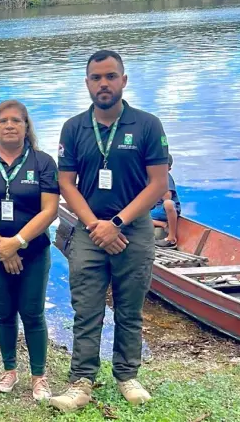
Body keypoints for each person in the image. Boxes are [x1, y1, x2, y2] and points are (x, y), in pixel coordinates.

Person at [50, 50, 169, 412]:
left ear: (123, 80)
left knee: (129, 309)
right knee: (86, 309)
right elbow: (66, 183)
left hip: (133, 230)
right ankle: (81, 381)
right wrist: (95, 225)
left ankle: (127, 375)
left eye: (111, 76)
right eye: (96, 77)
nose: (104, 83)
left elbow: (158, 184)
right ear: (87, 83)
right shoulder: (74, 128)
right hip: (89, 230)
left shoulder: (147, 125)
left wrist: (116, 224)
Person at [0, 100, 59, 401]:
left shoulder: (43, 162)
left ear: (26, 126)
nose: (9, 125)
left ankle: (39, 376)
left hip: (33, 250)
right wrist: (0, 246)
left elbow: (50, 210)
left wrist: (16, 243)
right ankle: (9, 369)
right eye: (2, 120)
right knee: (4, 311)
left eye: (16, 120)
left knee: (32, 312)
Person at [152, 154, 181, 248]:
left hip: (165, 210)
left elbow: (167, 197)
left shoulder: (166, 177)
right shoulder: (150, 177)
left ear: (169, 169)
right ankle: (163, 224)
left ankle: (171, 238)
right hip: (153, 210)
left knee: (168, 203)